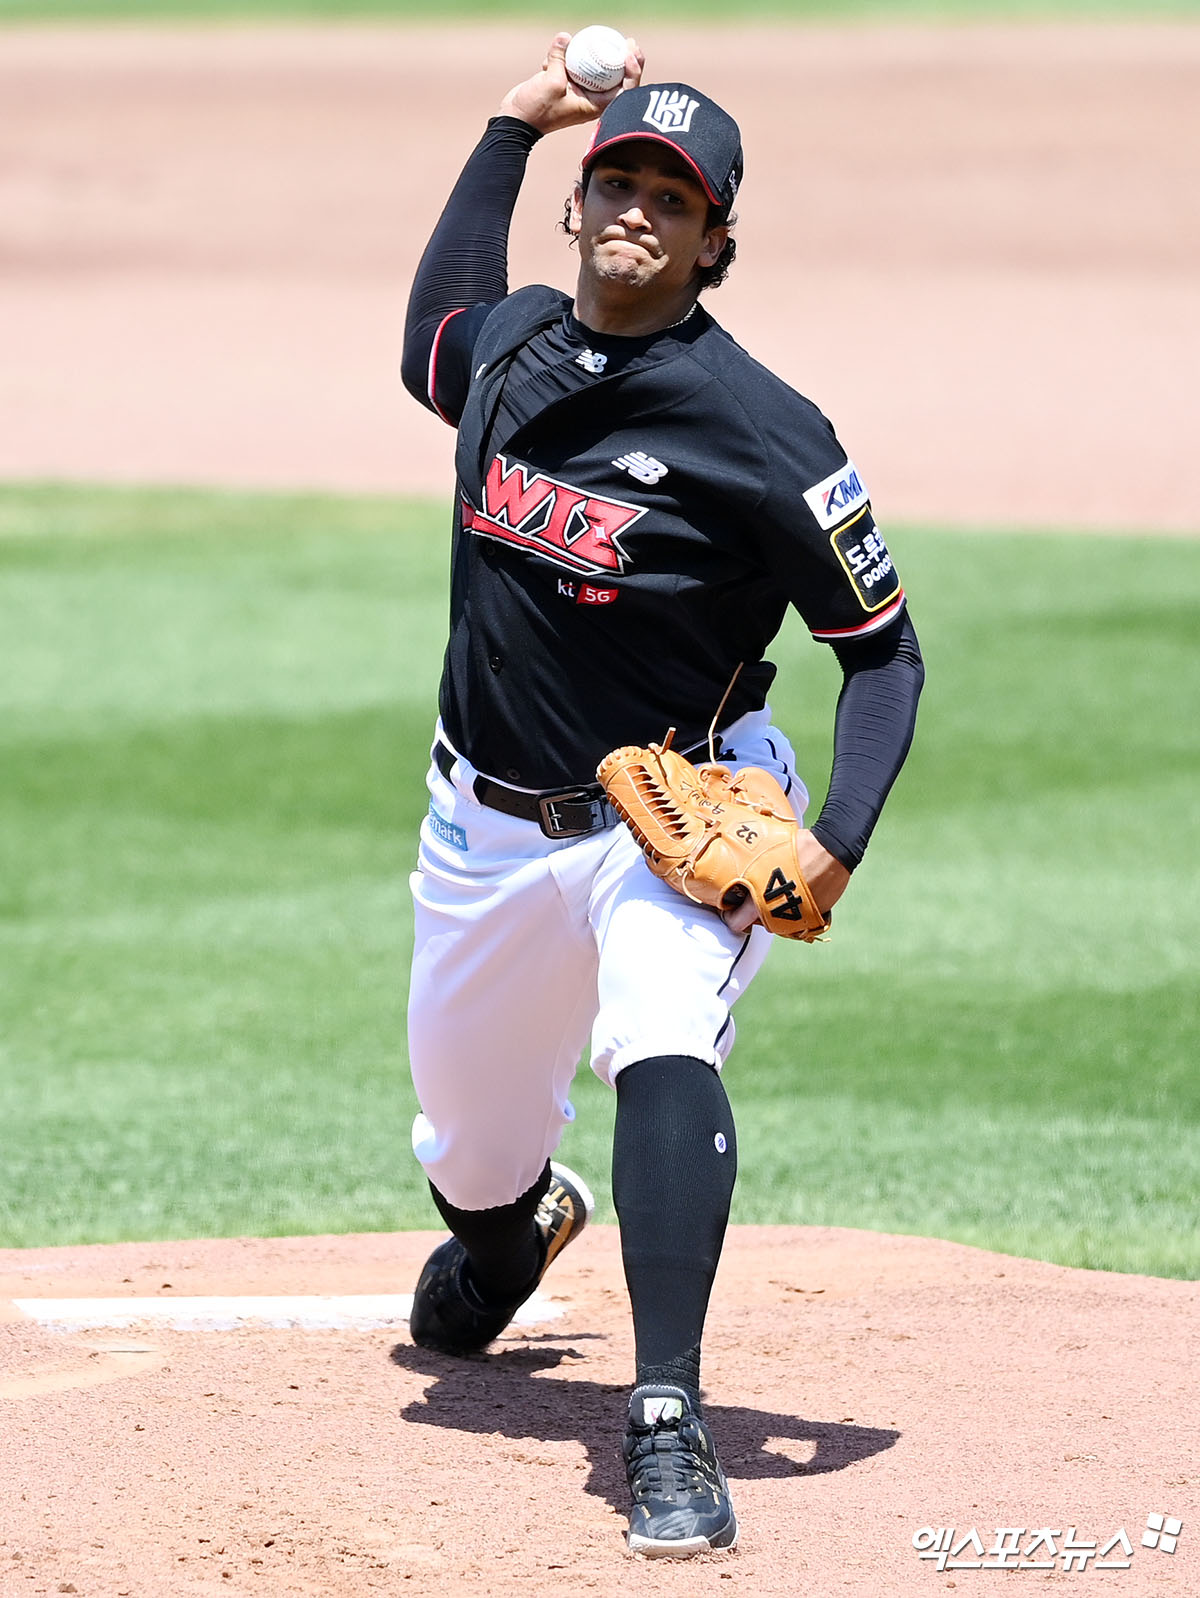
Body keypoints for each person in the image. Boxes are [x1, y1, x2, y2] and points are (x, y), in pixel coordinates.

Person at [399, 32, 924, 1559]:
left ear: (714, 240)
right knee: (471, 1158)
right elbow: (429, 335)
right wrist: (511, 125)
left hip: (671, 823)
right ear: (578, 206)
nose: (637, 209)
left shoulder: (765, 429)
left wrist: (836, 842)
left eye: (672, 197)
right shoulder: (512, 351)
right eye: (618, 181)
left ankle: (668, 1416)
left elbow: (883, 655)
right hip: (483, 834)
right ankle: (515, 1236)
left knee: (661, 1033)